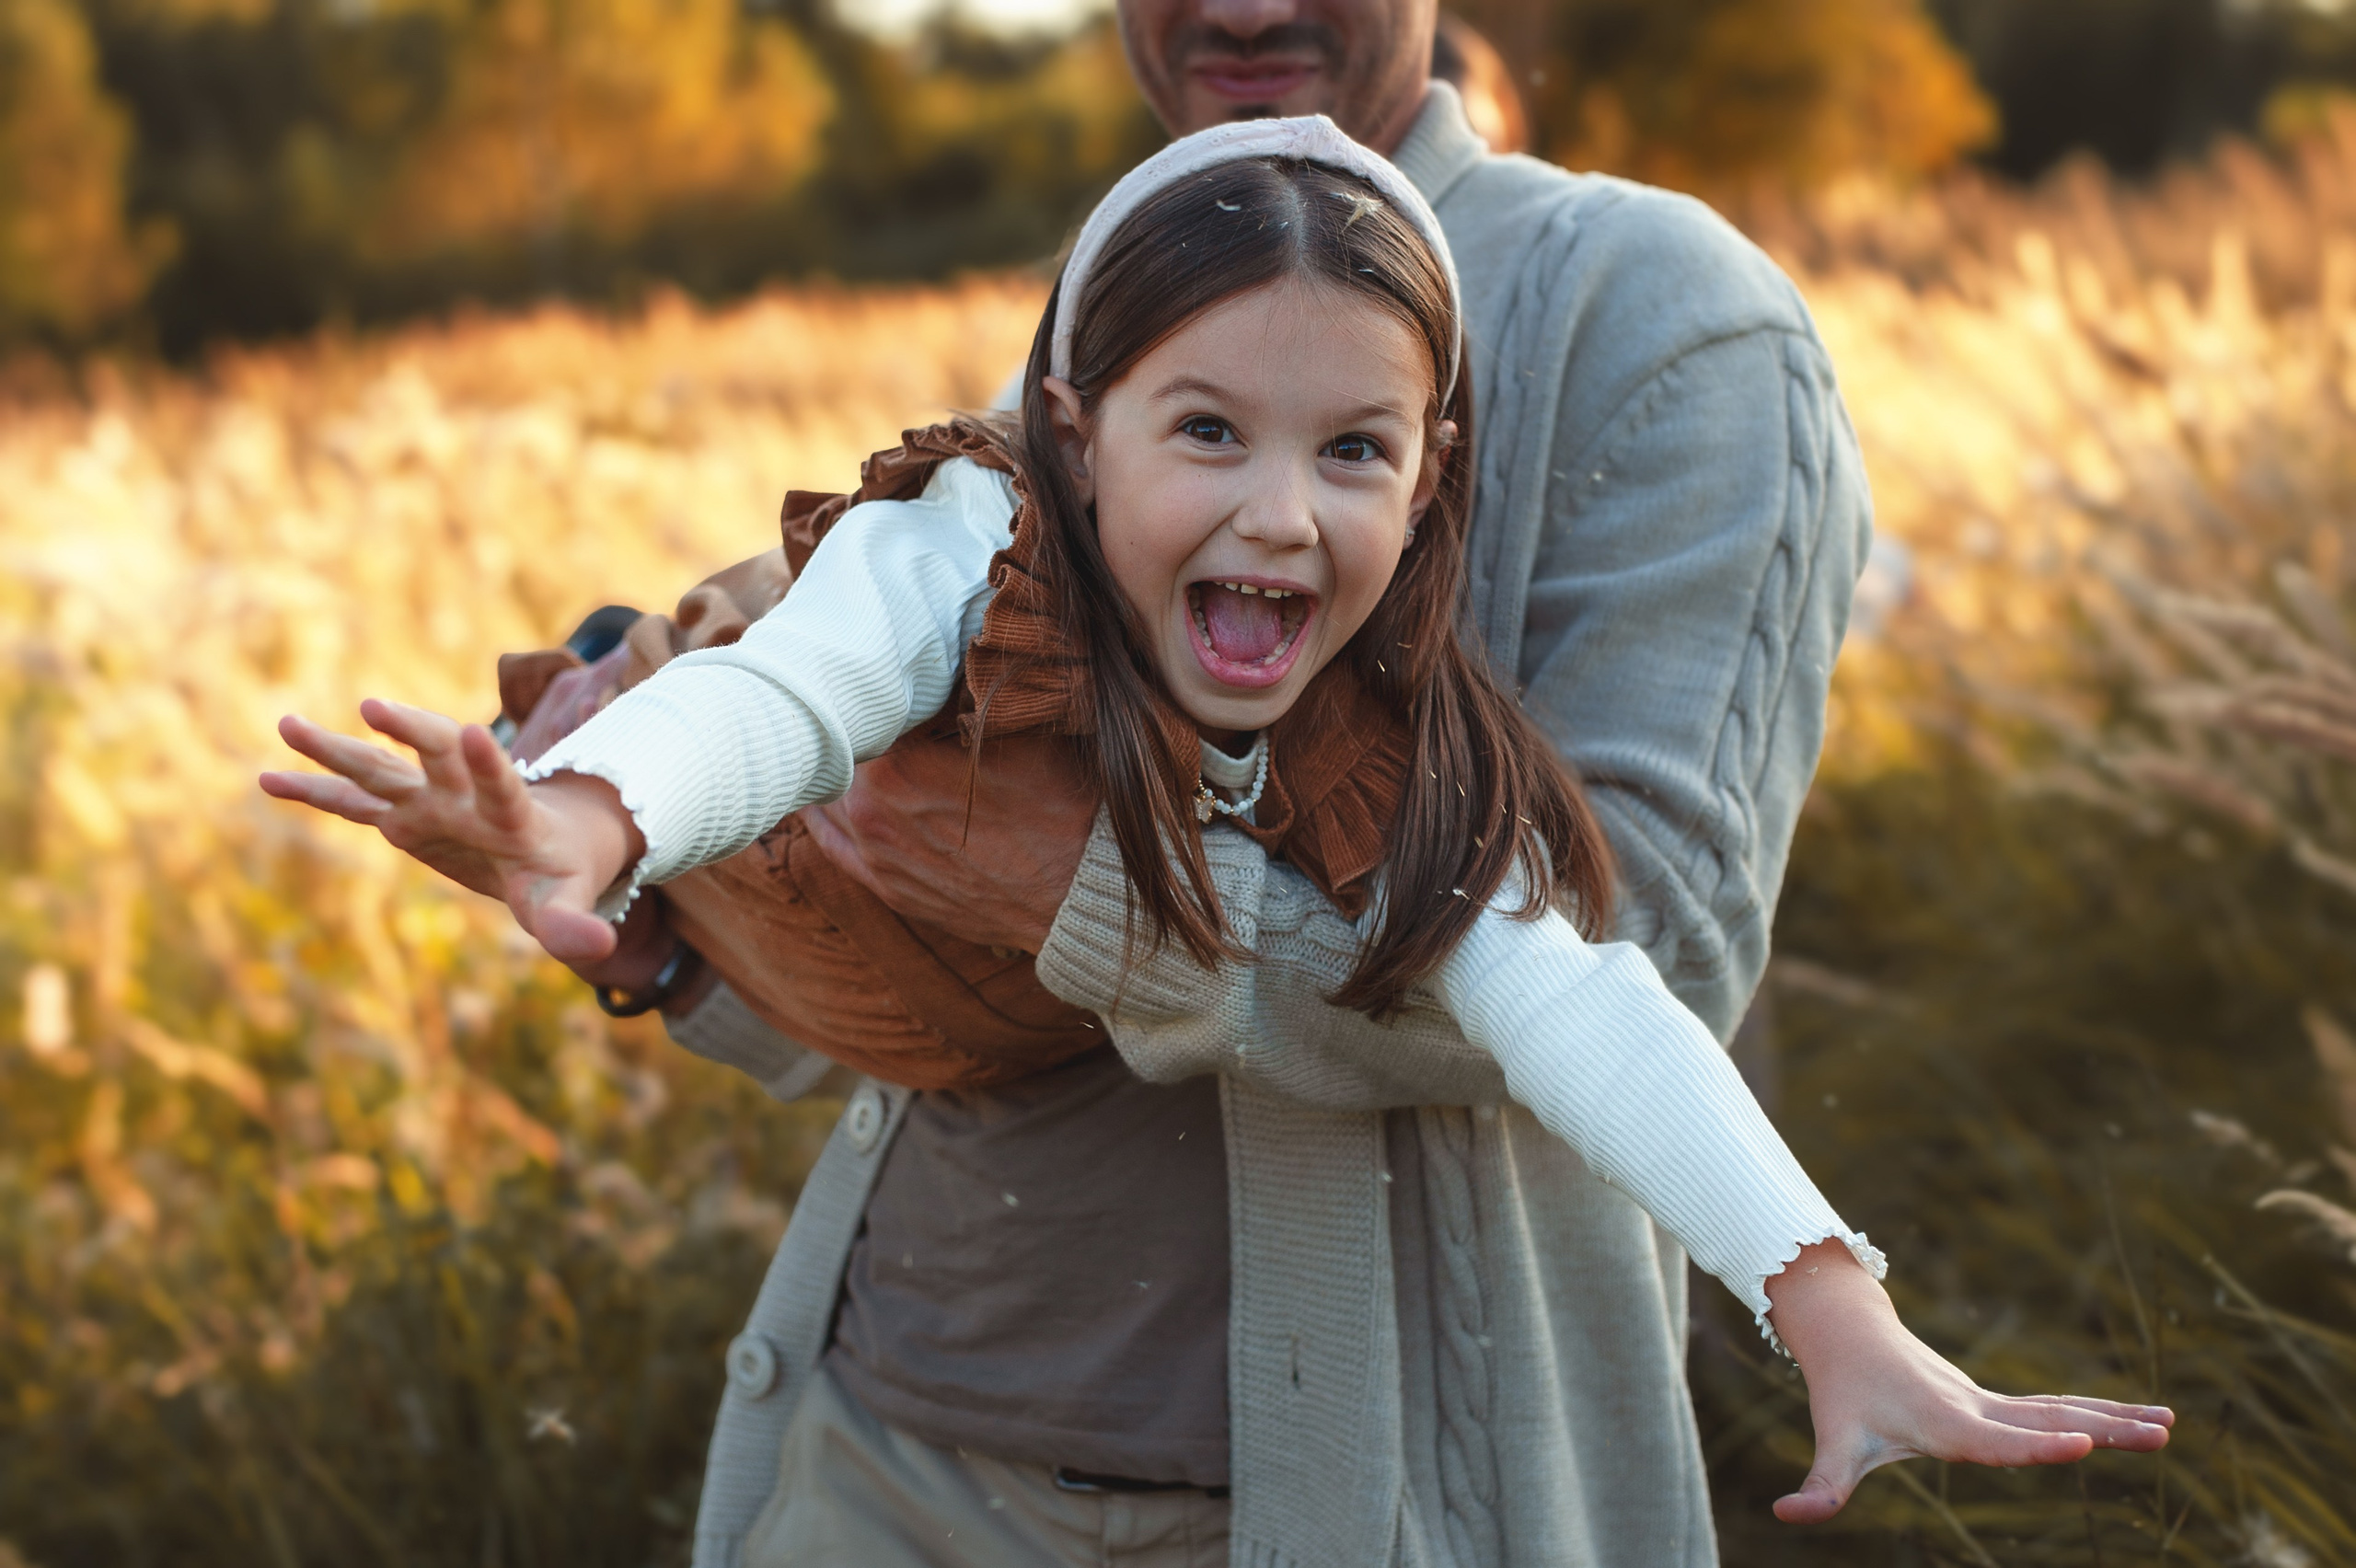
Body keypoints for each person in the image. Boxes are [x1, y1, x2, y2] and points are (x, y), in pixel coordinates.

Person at [270, 116, 2174, 1568]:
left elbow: (1588, 1003)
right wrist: (588, 812)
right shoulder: (973, 544)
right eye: (1206, 434)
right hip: (889, 1408)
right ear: (1074, 428)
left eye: (1351, 452)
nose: (1278, 512)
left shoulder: (1391, 744)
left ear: (1428, 478)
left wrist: (1827, 1300)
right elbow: (796, 692)